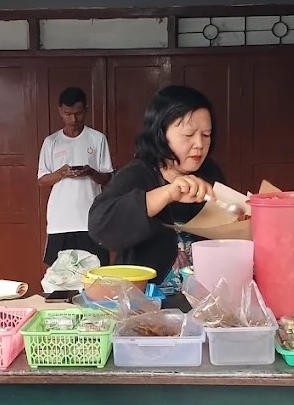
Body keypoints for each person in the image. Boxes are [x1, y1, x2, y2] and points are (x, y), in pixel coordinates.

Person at [89, 85, 224, 281]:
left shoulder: (210, 172)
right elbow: (100, 227)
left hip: (202, 298)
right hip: (147, 301)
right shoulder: (137, 174)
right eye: (188, 135)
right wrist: (167, 194)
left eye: (206, 135)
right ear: (161, 133)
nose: (199, 144)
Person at [37, 87, 112, 267]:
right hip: (60, 221)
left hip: (90, 220)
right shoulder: (51, 142)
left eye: (78, 113)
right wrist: (61, 173)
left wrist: (90, 172)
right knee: (59, 276)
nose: (73, 119)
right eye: (68, 113)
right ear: (60, 111)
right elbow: (41, 180)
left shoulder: (97, 139)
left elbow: (108, 178)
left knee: (94, 272)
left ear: (85, 110)